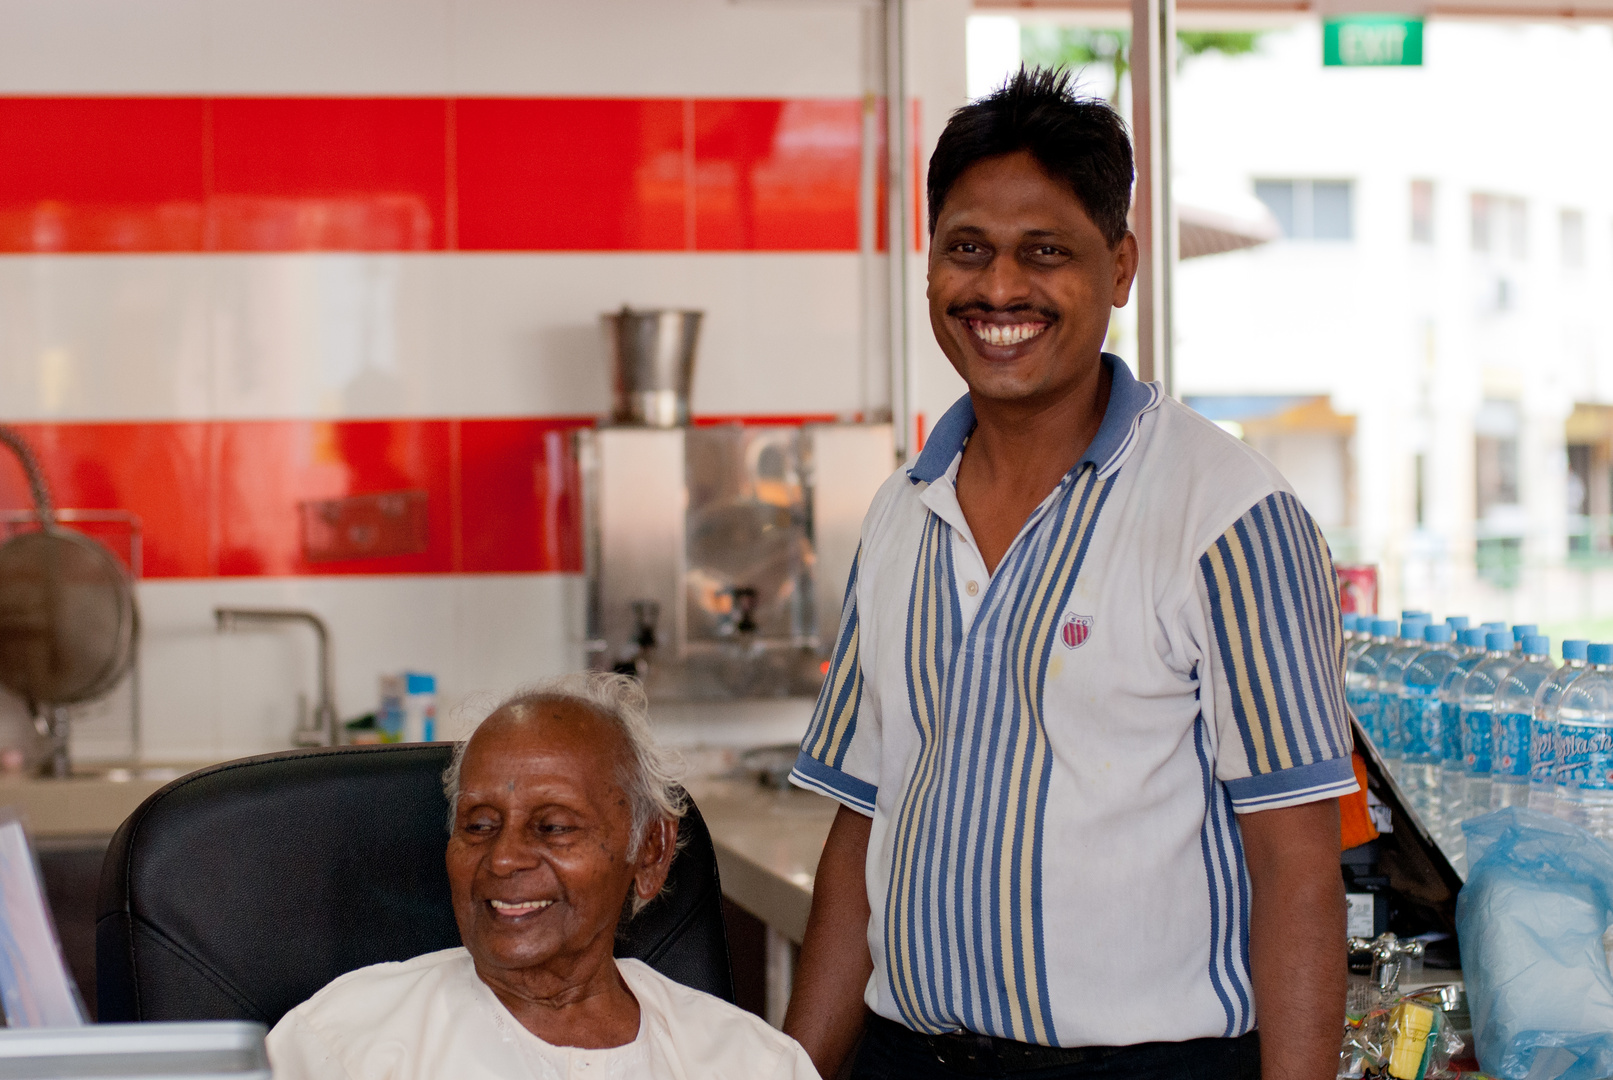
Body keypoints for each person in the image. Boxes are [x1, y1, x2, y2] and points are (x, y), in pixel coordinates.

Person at [783, 68, 1354, 1080]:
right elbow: (860, 826)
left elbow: (1296, 868)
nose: (998, 290)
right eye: (967, 250)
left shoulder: (1226, 516)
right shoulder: (898, 512)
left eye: (1044, 253)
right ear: (928, 266)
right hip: (904, 1057)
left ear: (1120, 265)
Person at [268, 672, 821, 1080]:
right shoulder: (340, 1045)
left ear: (649, 852)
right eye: (479, 825)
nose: (503, 860)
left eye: (553, 827)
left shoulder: (748, 1064)